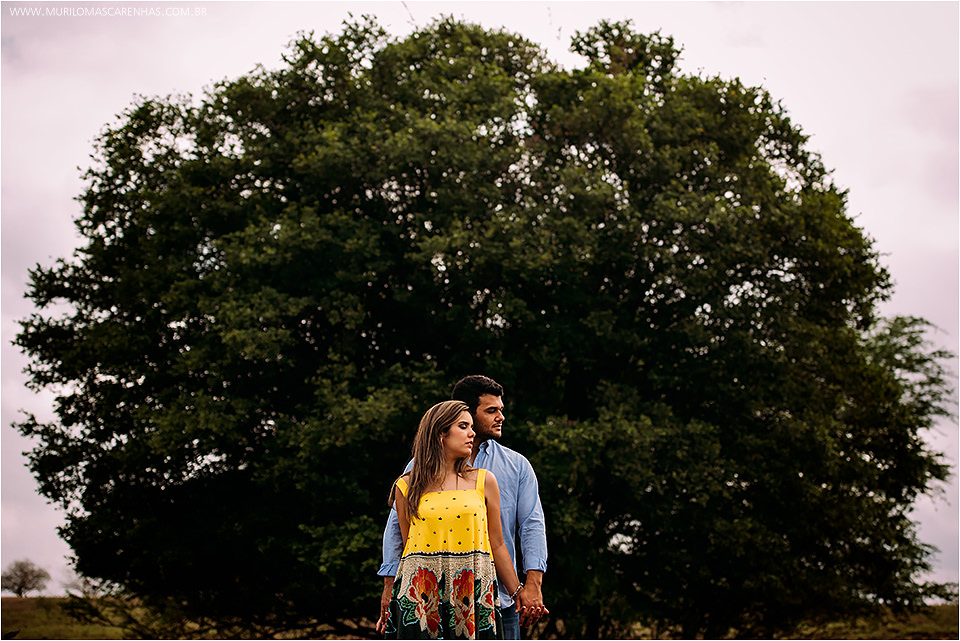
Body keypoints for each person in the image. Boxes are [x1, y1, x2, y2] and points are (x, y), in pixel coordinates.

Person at [378, 376, 548, 639]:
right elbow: (401, 536)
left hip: (492, 597)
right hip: (426, 600)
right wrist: (391, 586)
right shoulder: (416, 471)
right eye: (491, 410)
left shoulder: (514, 467)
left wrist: (529, 587)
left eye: (501, 410)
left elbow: (530, 526)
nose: (500, 417)